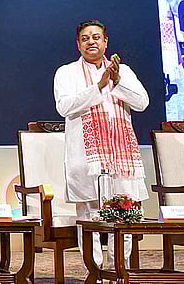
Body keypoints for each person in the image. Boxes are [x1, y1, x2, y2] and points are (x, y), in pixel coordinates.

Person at [53, 19, 148, 270]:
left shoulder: (123, 71)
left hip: (121, 156)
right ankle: (93, 270)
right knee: (89, 214)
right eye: (85, 38)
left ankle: (120, 269)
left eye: (96, 37)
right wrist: (99, 86)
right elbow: (64, 106)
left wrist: (116, 82)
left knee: (124, 210)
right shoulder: (66, 72)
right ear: (78, 44)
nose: (91, 42)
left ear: (106, 42)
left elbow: (142, 103)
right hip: (86, 157)